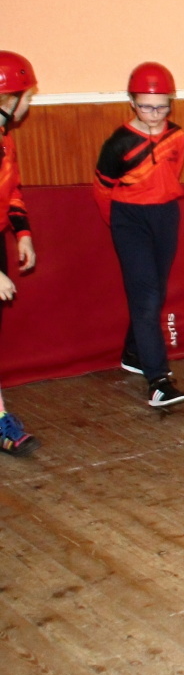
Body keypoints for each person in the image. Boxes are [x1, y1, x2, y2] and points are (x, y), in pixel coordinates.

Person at [94, 62, 184, 408]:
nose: (155, 114)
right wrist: (119, 226)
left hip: (165, 215)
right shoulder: (118, 143)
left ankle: (134, 352)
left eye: (162, 107)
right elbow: (102, 189)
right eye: (147, 107)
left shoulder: (177, 136)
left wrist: (160, 204)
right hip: (128, 218)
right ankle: (158, 380)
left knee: (156, 292)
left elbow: (172, 172)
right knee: (146, 297)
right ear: (132, 103)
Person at [0, 51, 40, 454]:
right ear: (8, 99)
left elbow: (11, 189)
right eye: (26, 96)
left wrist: (22, 233)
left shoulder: (4, 137)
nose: (29, 103)